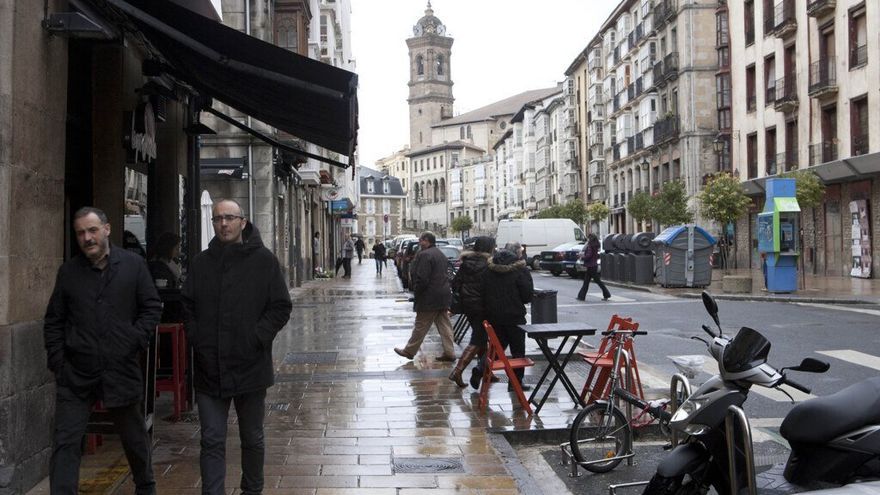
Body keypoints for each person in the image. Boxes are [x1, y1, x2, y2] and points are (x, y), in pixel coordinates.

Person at [43, 206, 162, 495]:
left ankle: (146, 487)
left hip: (120, 367)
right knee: (66, 441)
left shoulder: (133, 265)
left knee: (134, 438)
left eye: (92, 230)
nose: (87, 237)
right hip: (77, 372)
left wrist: (133, 339)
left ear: (106, 229)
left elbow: (151, 307)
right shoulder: (69, 272)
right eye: (81, 232)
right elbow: (54, 321)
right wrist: (59, 363)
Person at [182, 199, 293, 495]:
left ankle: (252, 490)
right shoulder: (201, 263)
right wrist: (198, 340)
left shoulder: (264, 260)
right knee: (212, 439)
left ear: (242, 222)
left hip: (250, 366)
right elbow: (188, 306)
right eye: (218, 219)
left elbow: (280, 307)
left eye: (229, 218)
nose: (224, 224)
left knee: (253, 438)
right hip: (210, 367)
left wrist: (256, 338)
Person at [394, 232, 456, 362]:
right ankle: (450, 352)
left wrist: (417, 292)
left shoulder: (424, 255)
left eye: (421, 240)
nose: (419, 243)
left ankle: (409, 351)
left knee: (421, 324)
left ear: (426, 241)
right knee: (445, 325)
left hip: (429, 296)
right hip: (443, 294)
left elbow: (422, 278)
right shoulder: (440, 254)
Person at [482, 242, 534, 391]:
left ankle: (481, 368)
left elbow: (483, 291)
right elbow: (526, 296)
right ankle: (516, 382)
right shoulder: (520, 270)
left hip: (494, 316)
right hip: (514, 316)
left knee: (496, 347)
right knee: (518, 350)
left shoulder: (488, 270)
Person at [448, 236, 496, 388]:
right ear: (489, 248)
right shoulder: (488, 265)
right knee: (478, 339)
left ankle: (487, 371)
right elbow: (489, 288)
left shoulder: (466, 263)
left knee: (481, 339)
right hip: (482, 307)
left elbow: (455, 284)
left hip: (468, 307)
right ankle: (457, 371)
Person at [576, 233, 611, 301]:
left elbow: (589, 255)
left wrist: (582, 257)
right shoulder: (595, 245)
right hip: (593, 265)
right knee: (590, 282)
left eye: (588, 238)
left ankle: (581, 296)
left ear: (590, 238)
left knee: (591, 282)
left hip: (590, 266)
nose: (588, 239)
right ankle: (581, 296)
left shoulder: (590, 245)